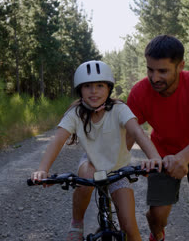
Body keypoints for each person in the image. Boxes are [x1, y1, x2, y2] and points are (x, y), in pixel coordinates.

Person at [31, 60, 163, 241]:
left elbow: (137, 132)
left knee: (130, 229)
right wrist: (43, 169)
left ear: (109, 88)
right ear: (80, 90)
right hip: (92, 164)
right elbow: (57, 141)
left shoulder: (119, 109)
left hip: (119, 170)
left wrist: (154, 157)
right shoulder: (76, 113)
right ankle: (77, 223)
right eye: (88, 86)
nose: (94, 91)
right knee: (87, 172)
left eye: (100, 85)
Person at [126, 35, 189, 241]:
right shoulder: (139, 92)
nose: (154, 78)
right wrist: (112, 163)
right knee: (157, 216)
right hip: (162, 153)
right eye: (150, 70)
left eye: (162, 71)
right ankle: (157, 235)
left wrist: (183, 158)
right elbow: (129, 134)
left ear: (181, 66)